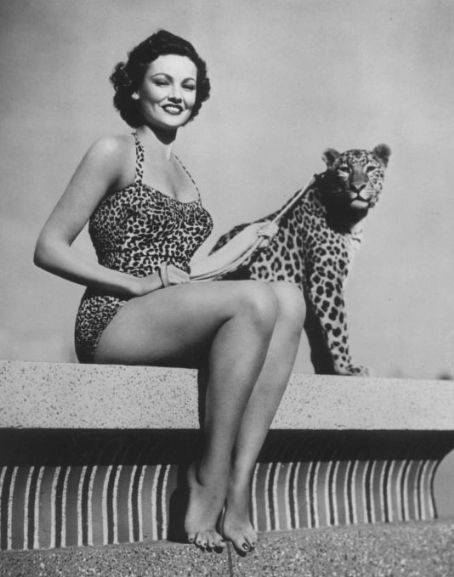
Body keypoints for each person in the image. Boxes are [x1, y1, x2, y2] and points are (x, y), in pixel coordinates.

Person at [34, 29, 305, 553]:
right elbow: (48, 246)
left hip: (168, 313)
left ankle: (239, 485)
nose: (177, 94)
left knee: (288, 298)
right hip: (115, 317)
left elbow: (185, 275)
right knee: (254, 299)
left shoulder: (184, 172)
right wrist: (133, 282)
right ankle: (206, 479)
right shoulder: (115, 150)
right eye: (163, 82)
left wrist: (241, 245)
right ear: (135, 87)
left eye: (188, 85)